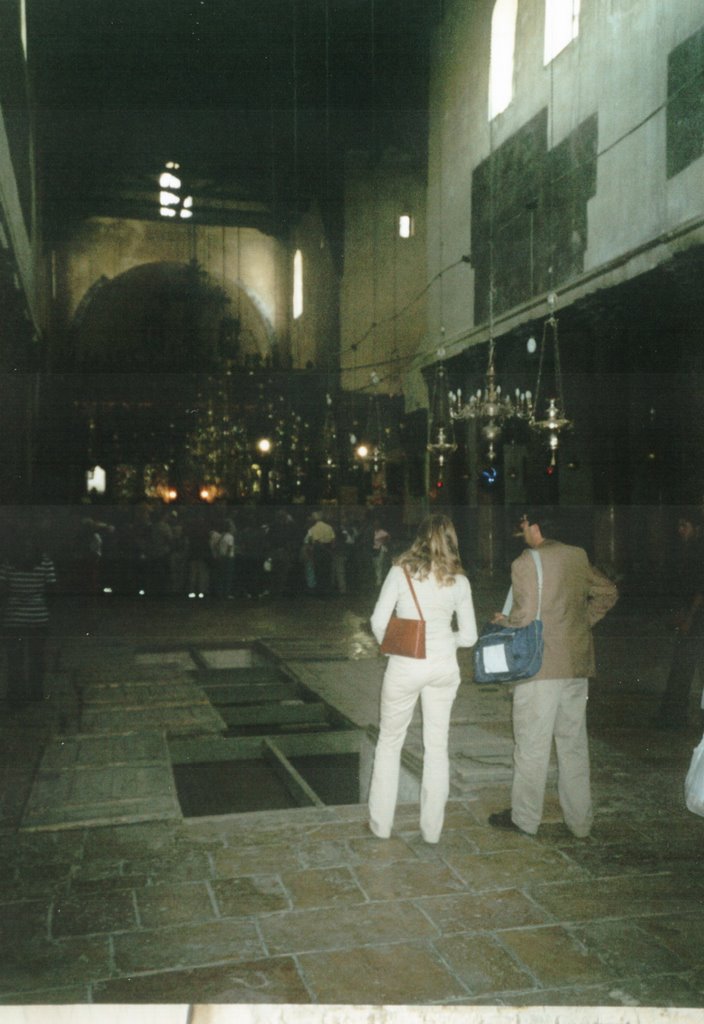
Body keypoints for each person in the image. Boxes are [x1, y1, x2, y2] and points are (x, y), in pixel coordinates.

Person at [488, 509, 618, 839]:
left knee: (532, 746)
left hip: (539, 668)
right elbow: (607, 592)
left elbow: (525, 616)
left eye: (524, 523)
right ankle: (580, 822)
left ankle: (525, 818)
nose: (522, 528)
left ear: (536, 527)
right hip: (575, 666)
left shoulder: (525, 562)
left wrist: (503, 623)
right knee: (573, 745)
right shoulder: (578, 556)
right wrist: (581, 623)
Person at [368, 513, 478, 844]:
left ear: (419, 539)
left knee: (389, 743)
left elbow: (377, 620)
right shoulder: (459, 582)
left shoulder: (400, 573)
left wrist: (393, 649)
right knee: (437, 746)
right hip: (443, 668)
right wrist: (446, 642)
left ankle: (381, 825)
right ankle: (431, 831)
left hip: (405, 665)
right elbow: (470, 637)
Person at [652, 509, 704, 731]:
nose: (680, 530)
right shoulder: (689, 549)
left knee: (683, 666)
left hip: (697, 618)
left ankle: (673, 717)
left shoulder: (697, 550)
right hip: (693, 616)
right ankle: (673, 716)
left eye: (685, 525)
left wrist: (689, 617)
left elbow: (700, 590)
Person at [0, 525, 57, 707]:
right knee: (37, 656)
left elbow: (2, 589)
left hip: (13, 617)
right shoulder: (45, 562)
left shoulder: (8, 563)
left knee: (14, 657)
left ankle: (15, 692)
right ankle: (35, 691)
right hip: (38, 616)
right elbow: (51, 590)